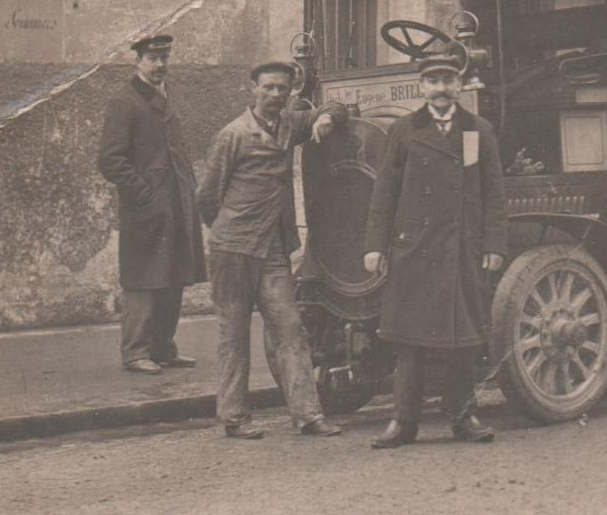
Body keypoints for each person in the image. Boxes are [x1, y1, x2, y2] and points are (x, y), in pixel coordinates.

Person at [362, 48, 507, 448]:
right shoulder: (405, 130)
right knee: (408, 340)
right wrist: (375, 245)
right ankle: (403, 422)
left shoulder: (478, 130)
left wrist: (494, 243)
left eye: (448, 81)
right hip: (415, 247)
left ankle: (464, 419)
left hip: (462, 247)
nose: (441, 89)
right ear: (422, 87)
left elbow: (493, 192)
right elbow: (384, 191)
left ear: (459, 85)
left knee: (462, 339)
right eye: (433, 81)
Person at [197, 62, 346, 439]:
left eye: (283, 89)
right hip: (233, 249)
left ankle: (309, 415)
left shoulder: (290, 124)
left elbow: (341, 108)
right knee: (233, 333)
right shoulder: (232, 135)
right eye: (269, 88)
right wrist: (231, 227)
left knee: (291, 329)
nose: (276, 95)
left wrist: (325, 119)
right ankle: (234, 418)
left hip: (273, 249)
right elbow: (207, 197)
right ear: (253, 89)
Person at [97, 34, 206, 375]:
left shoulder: (164, 96)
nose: (160, 65)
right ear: (138, 62)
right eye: (152, 58)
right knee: (144, 280)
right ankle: (135, 352)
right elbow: (110, 161)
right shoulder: (124, 102)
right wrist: (145, 196)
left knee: (173, 278)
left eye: (164, 58)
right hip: (146, 211)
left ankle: (163, 348)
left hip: (175, 207)